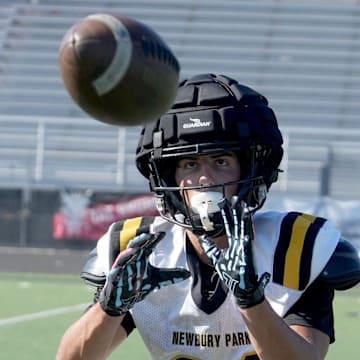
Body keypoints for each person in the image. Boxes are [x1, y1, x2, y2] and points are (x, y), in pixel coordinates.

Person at [56, 73, 360, 360]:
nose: (204, 179)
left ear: (251, 171)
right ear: (168, 177)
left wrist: (252, 301)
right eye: (189, 164)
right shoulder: (143, 250)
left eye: (220, 161)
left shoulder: (295, 249)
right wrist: (109, 308)